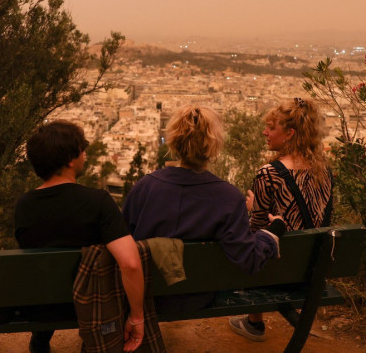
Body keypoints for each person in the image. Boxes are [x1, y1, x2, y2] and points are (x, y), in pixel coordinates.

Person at [122, 105, 286, 314]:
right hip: (199, 298)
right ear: (214, 145)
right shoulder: (228, 198)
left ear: (174, 141)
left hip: (148, 294)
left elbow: (124, 241)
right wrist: (271, 234)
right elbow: (248, 259)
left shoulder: (145, 187)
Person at [14, 121, 146, 353]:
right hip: (93, 304)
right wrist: (136, 317)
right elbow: (131, 264)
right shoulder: (98, 202)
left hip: (42, 306)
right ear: (69, 159)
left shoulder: (23, 206)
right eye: (82, 150)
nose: (85, 154)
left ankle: (40, 339)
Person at [229, 97, 333, 342]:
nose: (265, 132)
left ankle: (255, 323)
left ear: (289, 134)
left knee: (256, 240)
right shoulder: (324, 170)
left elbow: (256, 229)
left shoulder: (269, 173)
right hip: (312, 271)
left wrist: (253, 208)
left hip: (276, 272)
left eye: (271, 127)